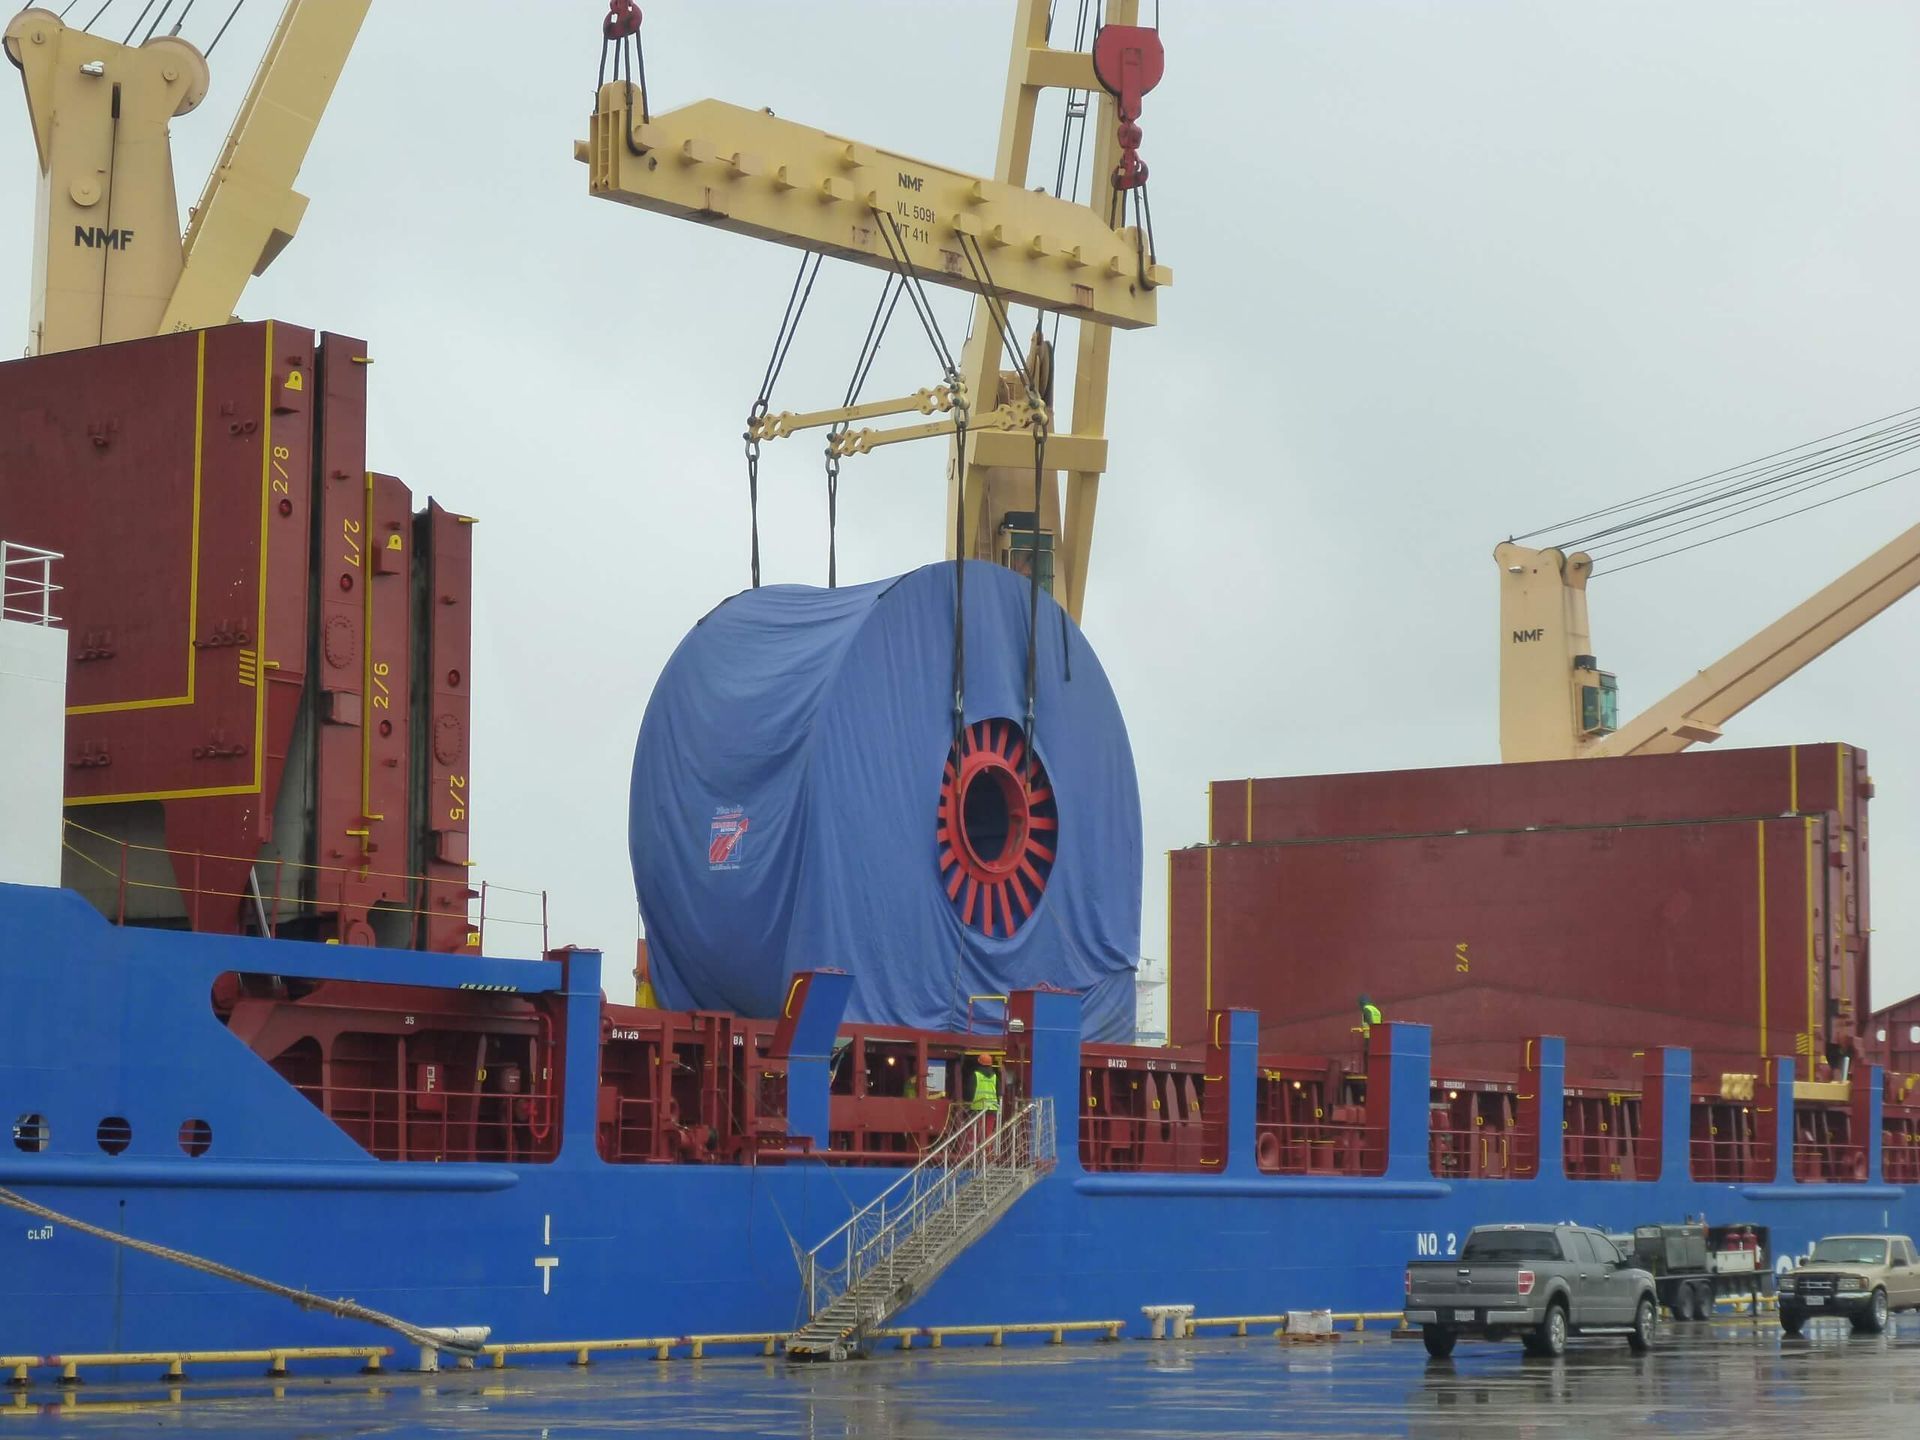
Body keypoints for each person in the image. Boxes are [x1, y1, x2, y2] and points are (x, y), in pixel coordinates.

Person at [969, 1052, 1002, 1136]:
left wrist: (969, 1103)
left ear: (979, 1062)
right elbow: (999, 1092)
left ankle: (977, 1148)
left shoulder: (976, 1075)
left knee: (977, 1134)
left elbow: (970, 1092)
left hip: (978, 1108)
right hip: (992, 1108)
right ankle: (988, 1149)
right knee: (988, 1134)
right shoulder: (995, 1077)